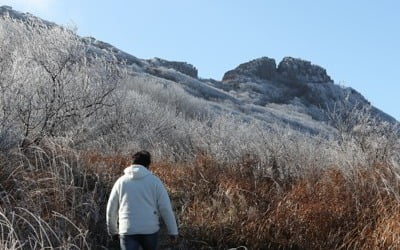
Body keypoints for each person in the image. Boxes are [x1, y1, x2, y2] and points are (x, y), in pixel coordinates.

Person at [106, 150, 178, 250]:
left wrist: (113, 231)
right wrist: (173, 231)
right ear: (148, 165)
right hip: (150, 230)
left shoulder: (121, 182)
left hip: (127, 230)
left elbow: (111, 209)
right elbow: (165, 207)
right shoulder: (155, 181)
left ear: (132, 163)